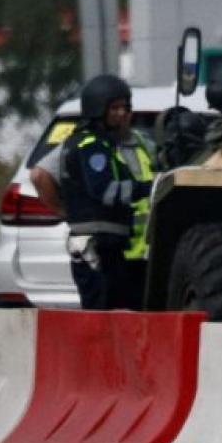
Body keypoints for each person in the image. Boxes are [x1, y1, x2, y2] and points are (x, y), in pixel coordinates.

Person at [55, 75, 156, 310]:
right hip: (97, 249)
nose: (122, 113)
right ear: (97, 109)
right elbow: (105, 190)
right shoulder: (91, 146)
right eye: (114, 108)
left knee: (120, 312)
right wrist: (149, 188)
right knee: (103, 314)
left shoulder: (101, 143)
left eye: (125, 107)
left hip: (111, 247)